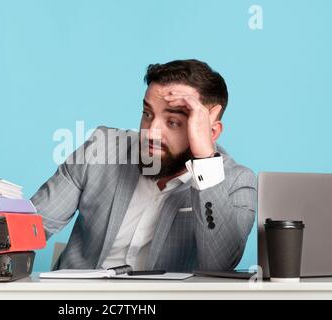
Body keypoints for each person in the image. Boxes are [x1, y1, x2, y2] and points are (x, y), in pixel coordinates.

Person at [31, 59, 256, 272]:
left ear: (210, 132)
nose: (152, 131)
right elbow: (31, 226)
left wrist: (205, 159)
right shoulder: (100, 151)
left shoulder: (236, 182)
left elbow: (219, 265)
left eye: (173, 122)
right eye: (148, 114)